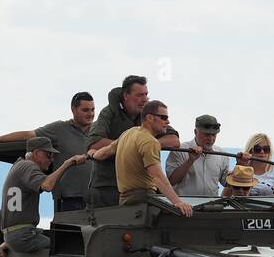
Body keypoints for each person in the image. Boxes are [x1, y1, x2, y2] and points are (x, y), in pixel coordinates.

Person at [0, 137, 88, 254]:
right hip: (23, 235)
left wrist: (12, 239)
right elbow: (47, 185)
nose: (51, 159)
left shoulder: (19, 166)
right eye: (48, 154)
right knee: (65, 249)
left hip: (17, 235)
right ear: (36, 153)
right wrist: (68, 163)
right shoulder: (28, 166)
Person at [115, 102, 193, 216]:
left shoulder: (129, 133)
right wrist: (178, 202)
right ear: (150, 117)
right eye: (164, 117)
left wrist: (89, 155)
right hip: (142, 200)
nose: (168, 122)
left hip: (125, 200)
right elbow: (157, 176)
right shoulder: (149, 141)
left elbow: (104, 152)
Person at [85, 75, 149, 207]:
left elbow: (173, 140)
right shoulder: (109, 113)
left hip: (138, 187)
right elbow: (95, 143)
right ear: (126, 96)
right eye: (139, 95)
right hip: (108, 186)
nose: (144, 99)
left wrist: (145, 144)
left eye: (146, 94)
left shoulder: (148, 115)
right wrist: (131, 144)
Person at [35, 91, 95, 212]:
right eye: (85, 110)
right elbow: (30, 134)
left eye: (92, 110)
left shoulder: (98, 130)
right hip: (69, 200)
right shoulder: (59, 129)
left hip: (96, 199)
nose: (90, 114)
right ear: (74, 109)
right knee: (70, 231)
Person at [166, 113, 228, 197]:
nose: (211, 139)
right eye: (207, 134)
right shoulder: (180, 150)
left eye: (214, 135)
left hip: (212, 206)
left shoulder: (221, 154)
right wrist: (190, 161)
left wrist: (241, 165)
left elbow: (226, 183)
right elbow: (172, 181)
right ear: (195, 132)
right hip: (186, 207)